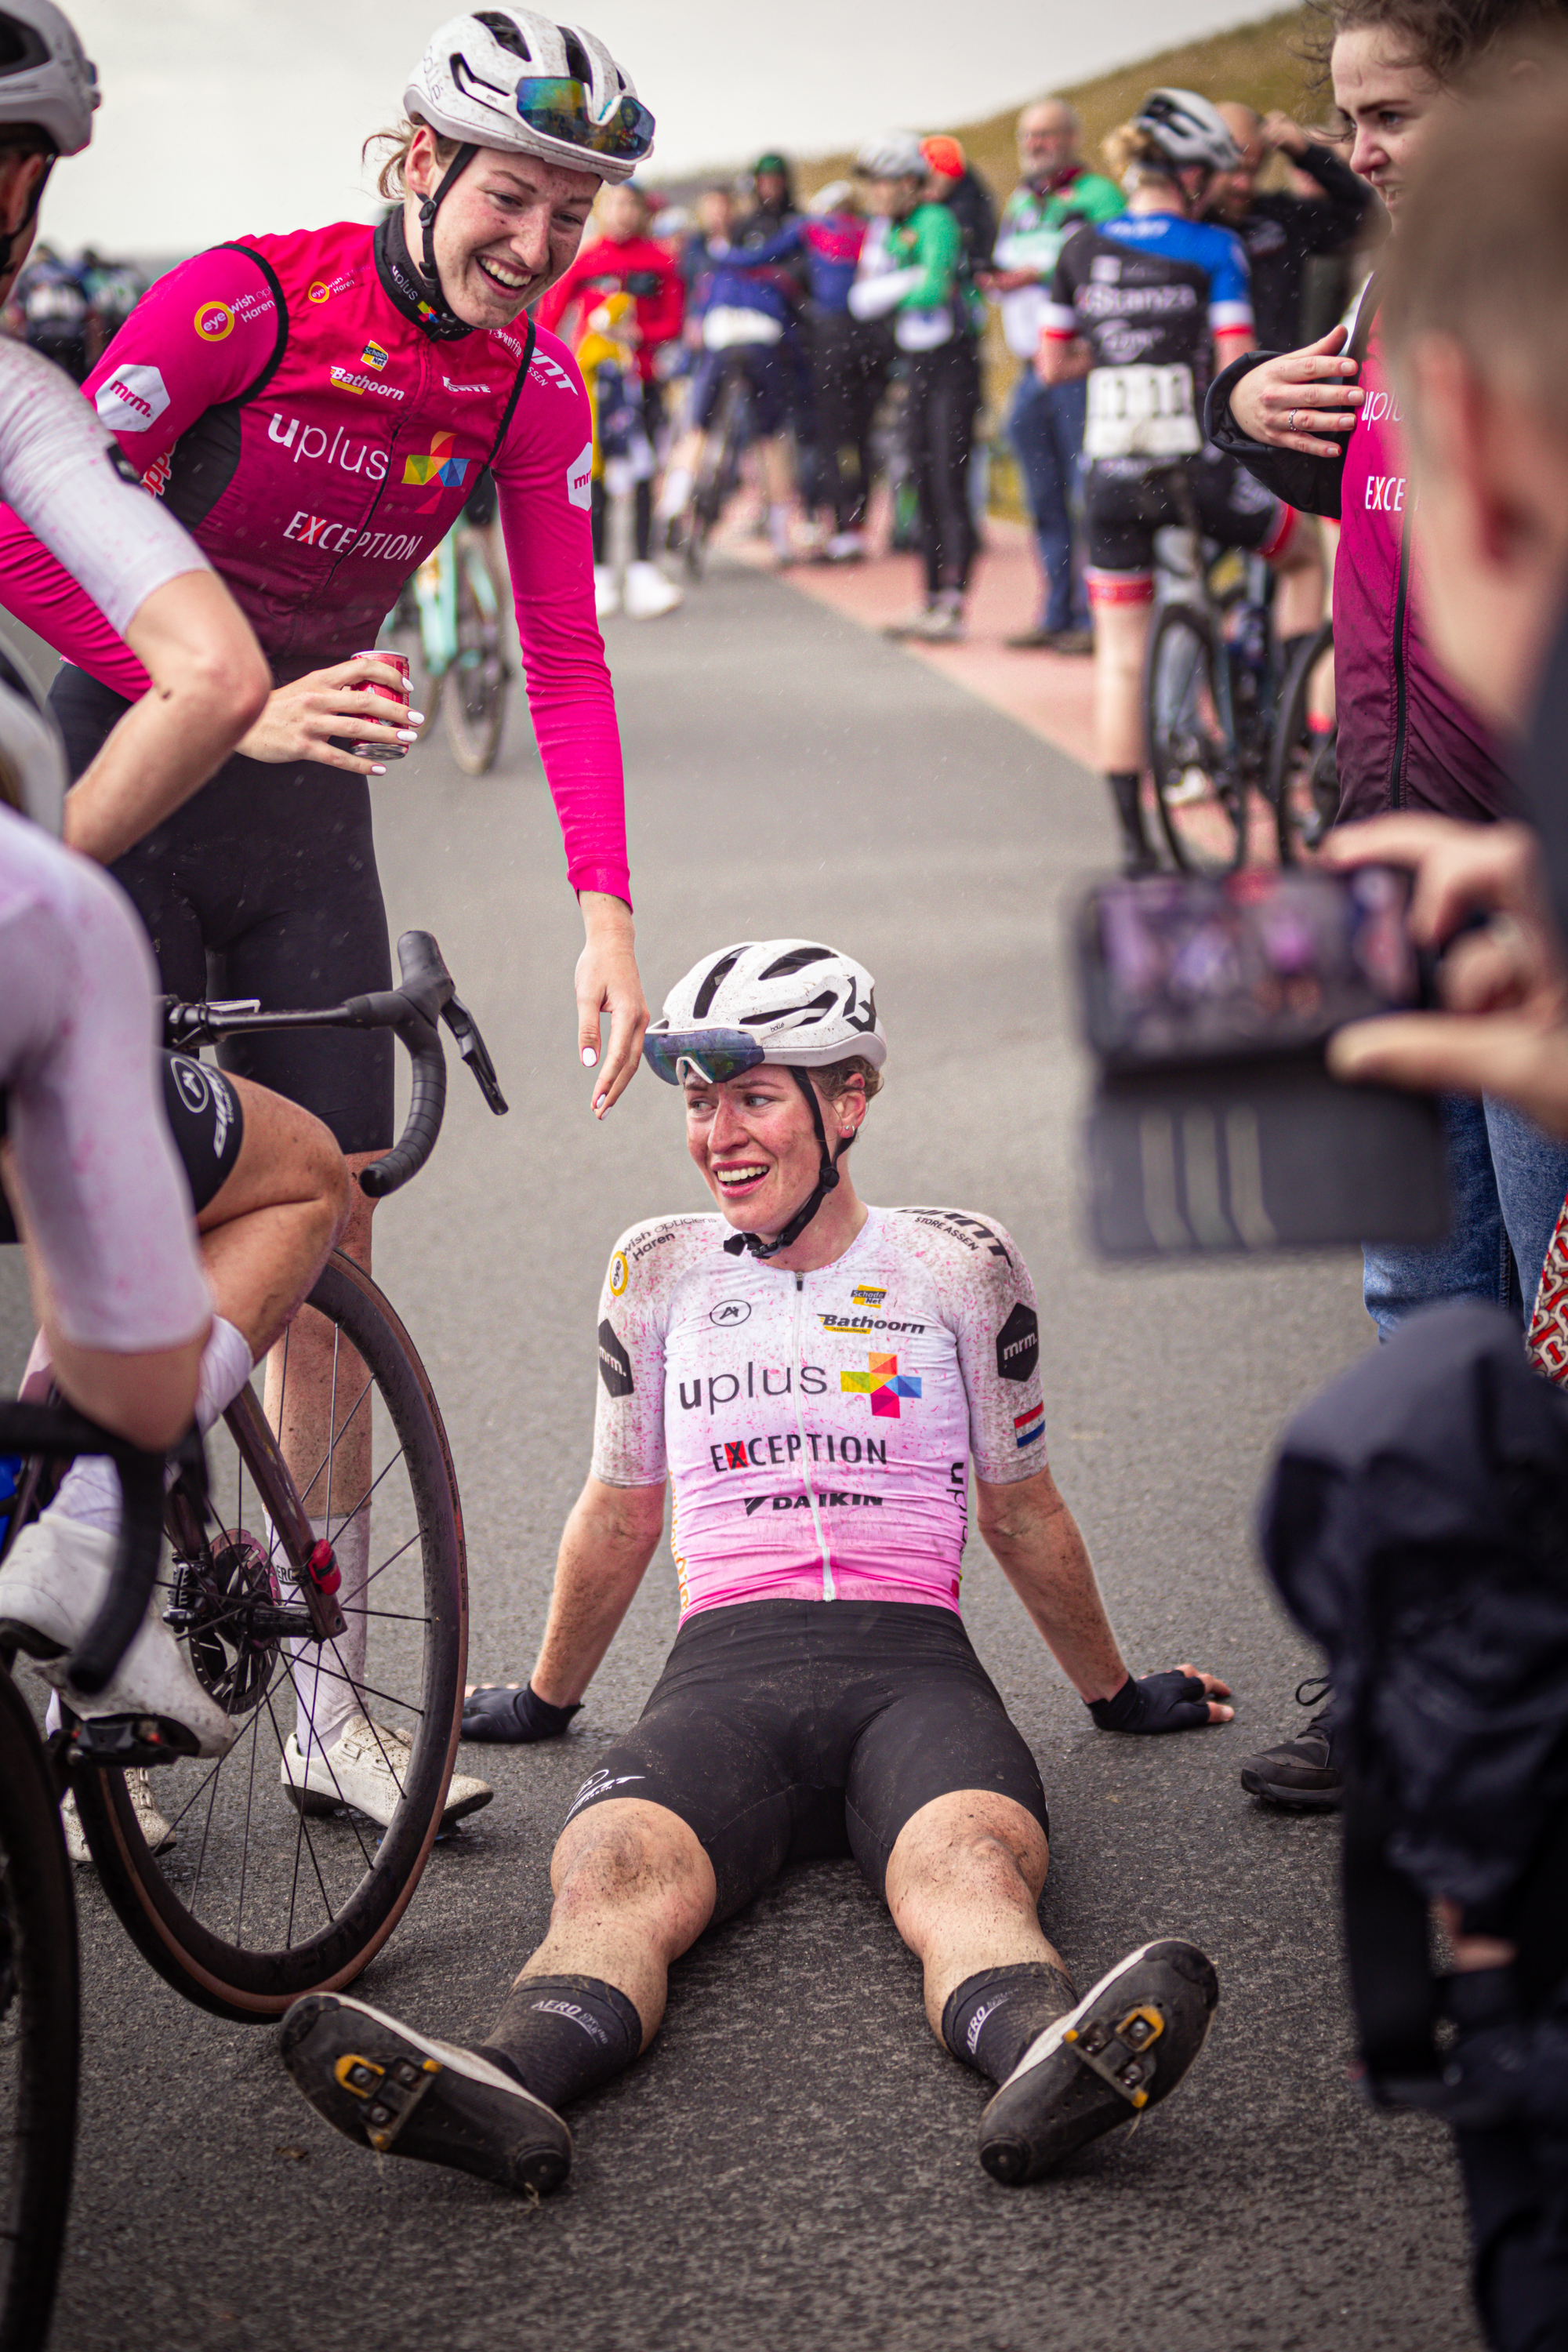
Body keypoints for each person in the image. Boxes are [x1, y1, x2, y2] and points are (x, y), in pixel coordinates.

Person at [278, 939, 1232, 2197]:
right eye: (697, 1102)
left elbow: (1024, 1512)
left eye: (756, 1096)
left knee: (968, 1871)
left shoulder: (959, 1263)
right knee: (610, 1872)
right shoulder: (655, 1269)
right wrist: (548, 1698)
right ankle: (502, 2082)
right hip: (724, 1674)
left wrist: (1115, 1694)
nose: (717, 1134)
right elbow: (619, 1514)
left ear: (849, 1101)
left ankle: (1049, 2062)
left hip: (914, 1675)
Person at [0, 8, 655, 1805]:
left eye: (570, 217)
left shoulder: (532, 391)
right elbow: (29, 526)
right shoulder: (243, 304)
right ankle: (70, 1641)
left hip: (302, 812)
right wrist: (216, 687)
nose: (532, 244)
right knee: (119, 1195)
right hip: (127, 762)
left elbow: (566, 652)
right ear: (423, 160)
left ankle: (319, 1706)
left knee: (331, 1228)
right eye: (510, 194)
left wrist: (602, 912)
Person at [1207, 0, 1568, 1811]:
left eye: (1394, 110)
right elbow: (1356, 484)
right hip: (1384, 871)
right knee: (1409, 1299)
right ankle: (1409, 1674)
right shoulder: (1375, 291)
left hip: (1526, 905)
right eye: (1344, 115)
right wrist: (1235, 408)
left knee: (1532, 1308)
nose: (1359, 147)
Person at [1042, 89, 1325, 873]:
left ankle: (1134, 846)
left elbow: (1051, 362)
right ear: (1189, 171)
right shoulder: (1209, 248)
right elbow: (1240, 360)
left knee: (1119, 659)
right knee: (1303, 556)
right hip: (1193, 469)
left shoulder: (1076, 249)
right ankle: (1294, 722)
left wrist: (1120, 351)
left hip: (1107, 474)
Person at [983, 99, 1124, 654]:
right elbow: (1009, 257)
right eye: (1027, 136)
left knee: (1087, 492)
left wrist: (1034, 274)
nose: (1035, 145)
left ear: (1071, 137)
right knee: (1042, 495)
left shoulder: (1100, 196)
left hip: (1081, 366)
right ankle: (1055, 609)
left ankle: (1097, 618)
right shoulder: (1021, 200)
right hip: (1030, 368)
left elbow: (1110, 259)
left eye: (1046, 135)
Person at [851, 134, 981, 643]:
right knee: (921, 479)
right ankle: (929, 597)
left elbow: (934, 288)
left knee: (949, 479)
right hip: (916, 363)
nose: (875, 194)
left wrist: (903, 284)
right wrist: (911, 281)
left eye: (881, 183)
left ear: (908, 182)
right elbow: (861, 300)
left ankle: (955, 601)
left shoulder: (936, 220)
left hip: (953, 361)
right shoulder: (886, 228)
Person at [535, 177, 684, 618]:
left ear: (643, 210)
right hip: (594, 389)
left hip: (643, 387)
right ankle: (597, 574)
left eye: (630, 204)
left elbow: (673, 322)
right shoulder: (587, 258)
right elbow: (548, 319)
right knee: (592, 480)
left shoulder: (660, 262)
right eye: (615, 203)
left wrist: (639, 336)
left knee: (642, 474)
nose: (623, 212)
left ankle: (642, 569)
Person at [658, 185, 802, 565]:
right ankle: (779, 533)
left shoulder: (708, 264)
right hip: (760, 344)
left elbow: (692, 318)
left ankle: (674, 504)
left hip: (721, 345)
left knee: (699, 429)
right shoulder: (765, 266)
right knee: (769, 439)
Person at [1203, 103, 1377, 354]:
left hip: (1280, 376)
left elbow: (1366, 220)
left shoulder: (1279, 219)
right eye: (1232, 169)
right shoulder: (1184, 227)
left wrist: (1306, 153)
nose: (1243, 184)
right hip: (1210, 389)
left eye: (1254, 171)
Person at [574, 291, 667, 619]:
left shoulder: (618, 352)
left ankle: (638, 568)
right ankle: (602, 574)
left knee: (637, 496)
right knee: (600, 504)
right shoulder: (599, 355)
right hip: (607, 444)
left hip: (626, 439)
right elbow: (609, 406)